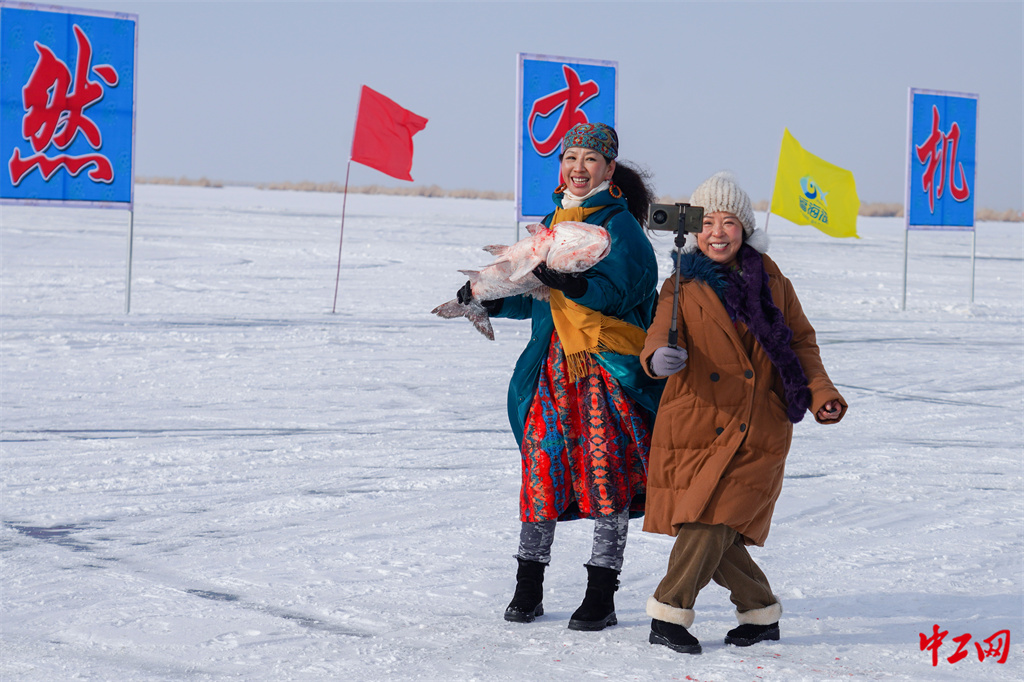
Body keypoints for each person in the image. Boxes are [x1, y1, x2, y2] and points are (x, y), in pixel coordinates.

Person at [456, 122, 664, 631]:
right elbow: (537, 301)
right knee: (541, 469)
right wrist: (487, 299)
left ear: (609, 169)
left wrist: (573, 285)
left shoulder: (621, 228)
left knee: (606, 473)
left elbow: (625, 291)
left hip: (603, 368)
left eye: (590, 159)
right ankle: (528, 587)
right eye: (570, 158)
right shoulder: (551, 224)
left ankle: (601, 594)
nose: (578, 167)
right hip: (552, 368)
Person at [638, 171, 847, 654]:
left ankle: (668, 614)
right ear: (695, 229)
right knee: (715, 525)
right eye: (709, 222)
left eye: (729, 222)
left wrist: (821, 392)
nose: (718, 232)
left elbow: (800, 343)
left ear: (745, 229)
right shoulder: (680, 284)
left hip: (758, 423)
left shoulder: (774, 282)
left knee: (712, 520)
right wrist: (658, 357)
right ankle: (759, 613)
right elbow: (660, 332)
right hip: (697, 420)